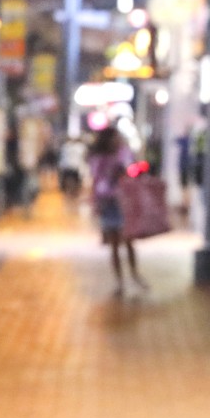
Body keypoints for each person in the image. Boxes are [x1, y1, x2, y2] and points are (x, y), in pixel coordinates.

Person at [88, 126, 147, 296]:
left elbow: (131, 171)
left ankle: (134, 275)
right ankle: (119, 281)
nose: (116, 140)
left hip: (123, 201)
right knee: (114, 244)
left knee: (129, 240)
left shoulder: (123, 153)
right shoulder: (99, 158)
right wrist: (96, 203)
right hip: (108, 202)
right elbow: (96, 179)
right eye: (114, 137)